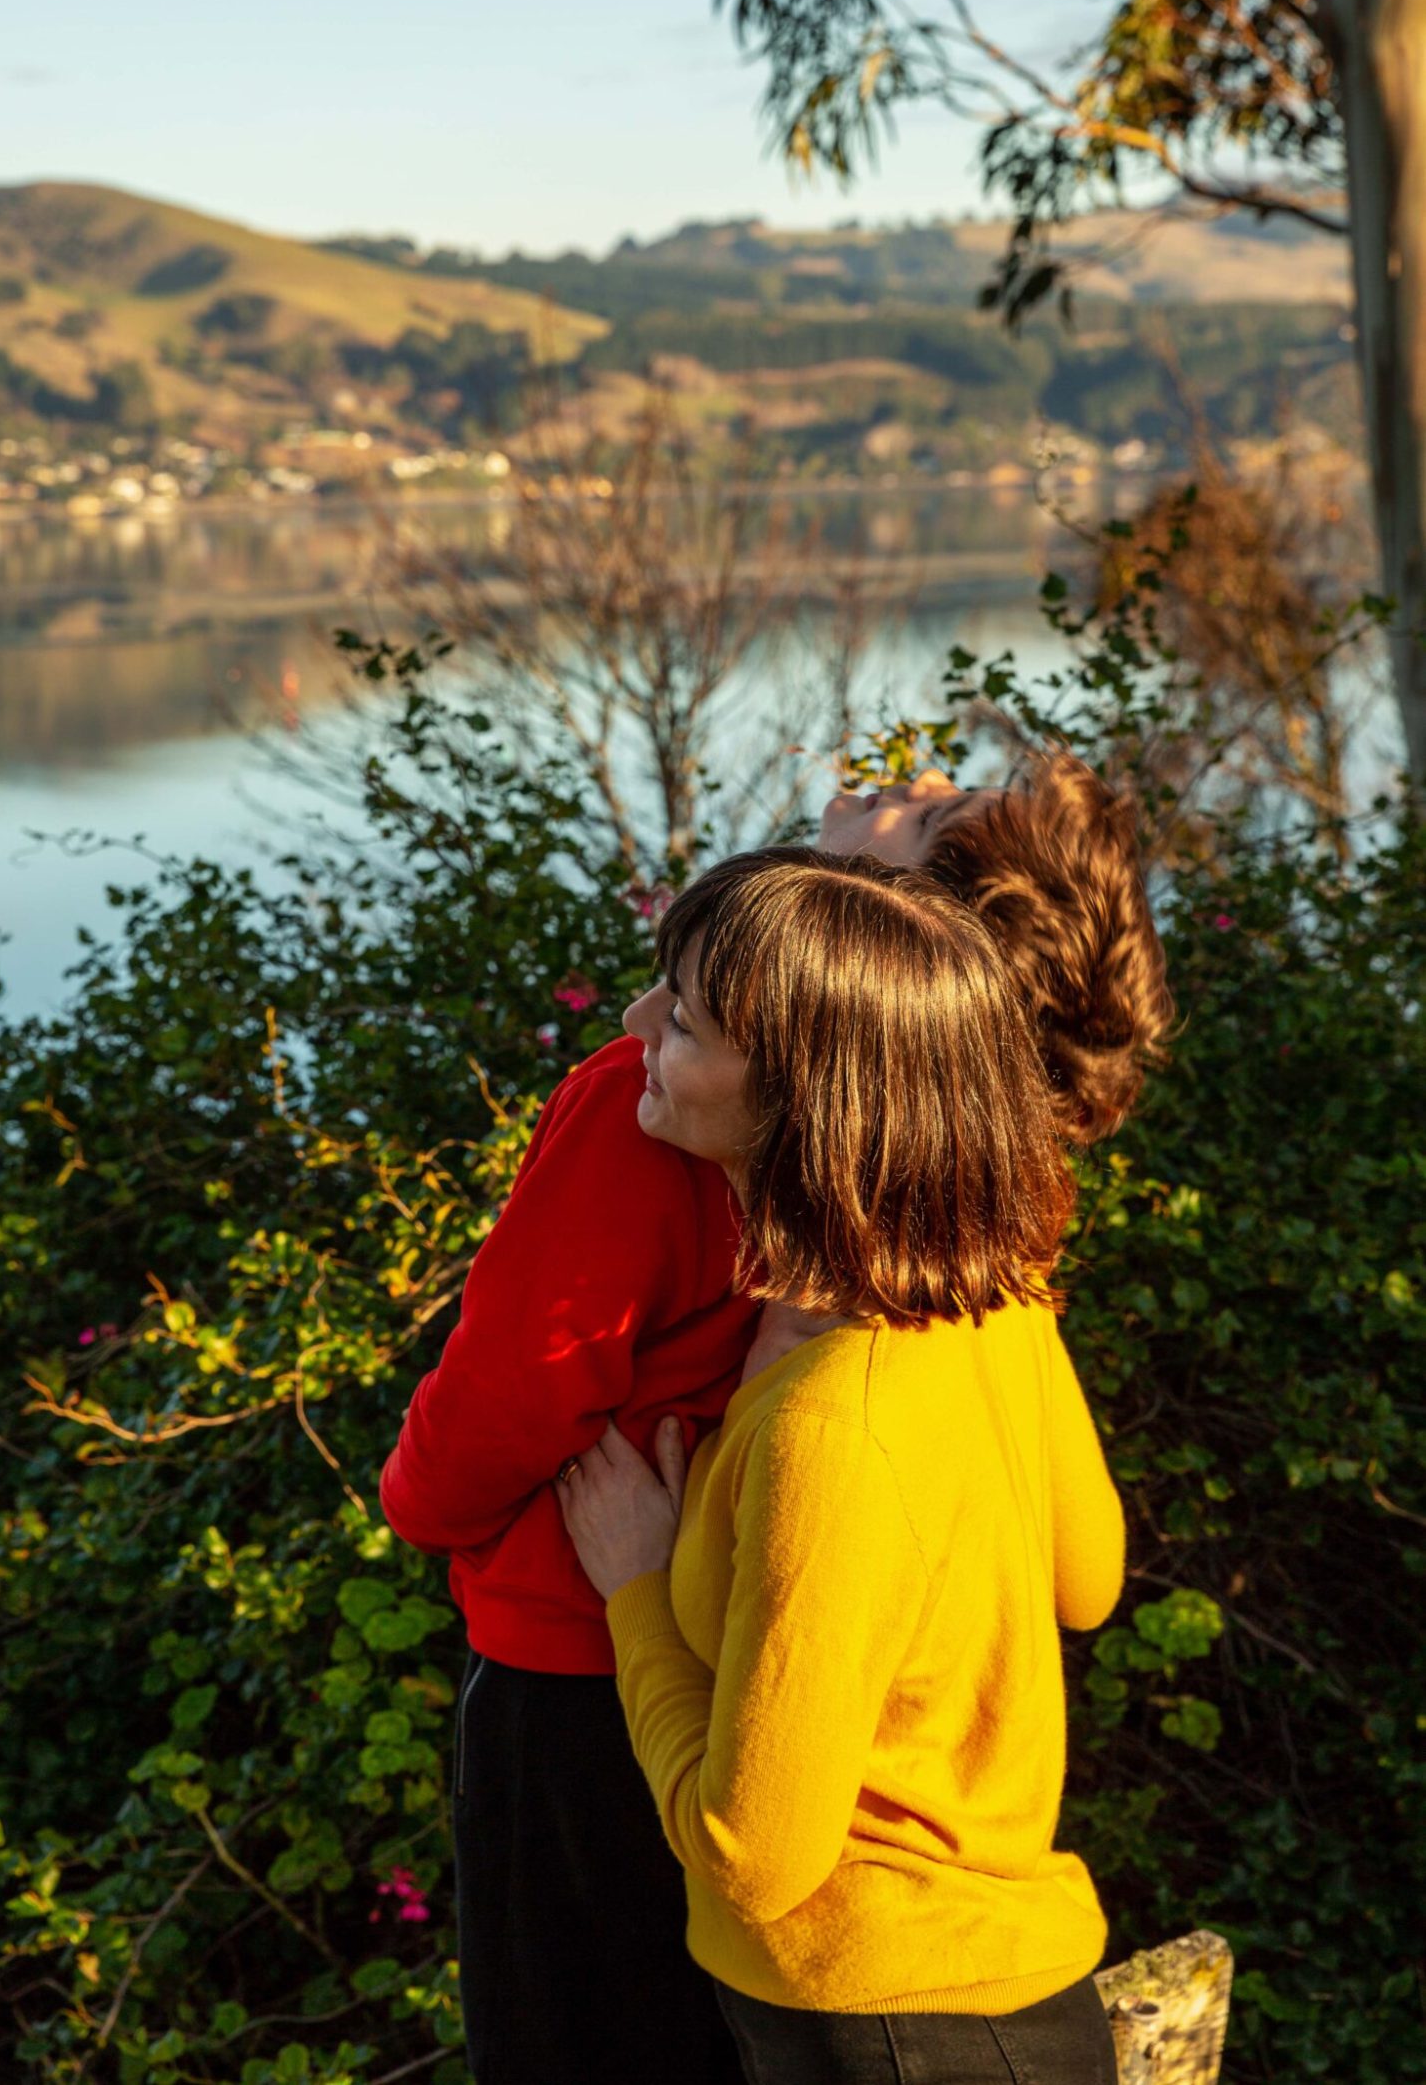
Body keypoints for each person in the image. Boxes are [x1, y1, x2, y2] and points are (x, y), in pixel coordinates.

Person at [379, 751, 1169, 2085]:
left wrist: (446, 1519)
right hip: (953, 1900)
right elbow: (1077, 1573)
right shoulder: (982, 1232)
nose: (644, 1027)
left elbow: (513, 1385)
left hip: (611, 1683)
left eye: (925, 814)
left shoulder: (654, 1132)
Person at [556, 848, 1125, 2083]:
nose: (636, 1020)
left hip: (884, 2027)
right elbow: (1085, 1578)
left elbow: (753, 1859)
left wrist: (638, 1593)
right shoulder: (995, 1298)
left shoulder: (830, 1423)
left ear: (802, 1100)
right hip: (1015, 1995)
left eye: (687, 1017)